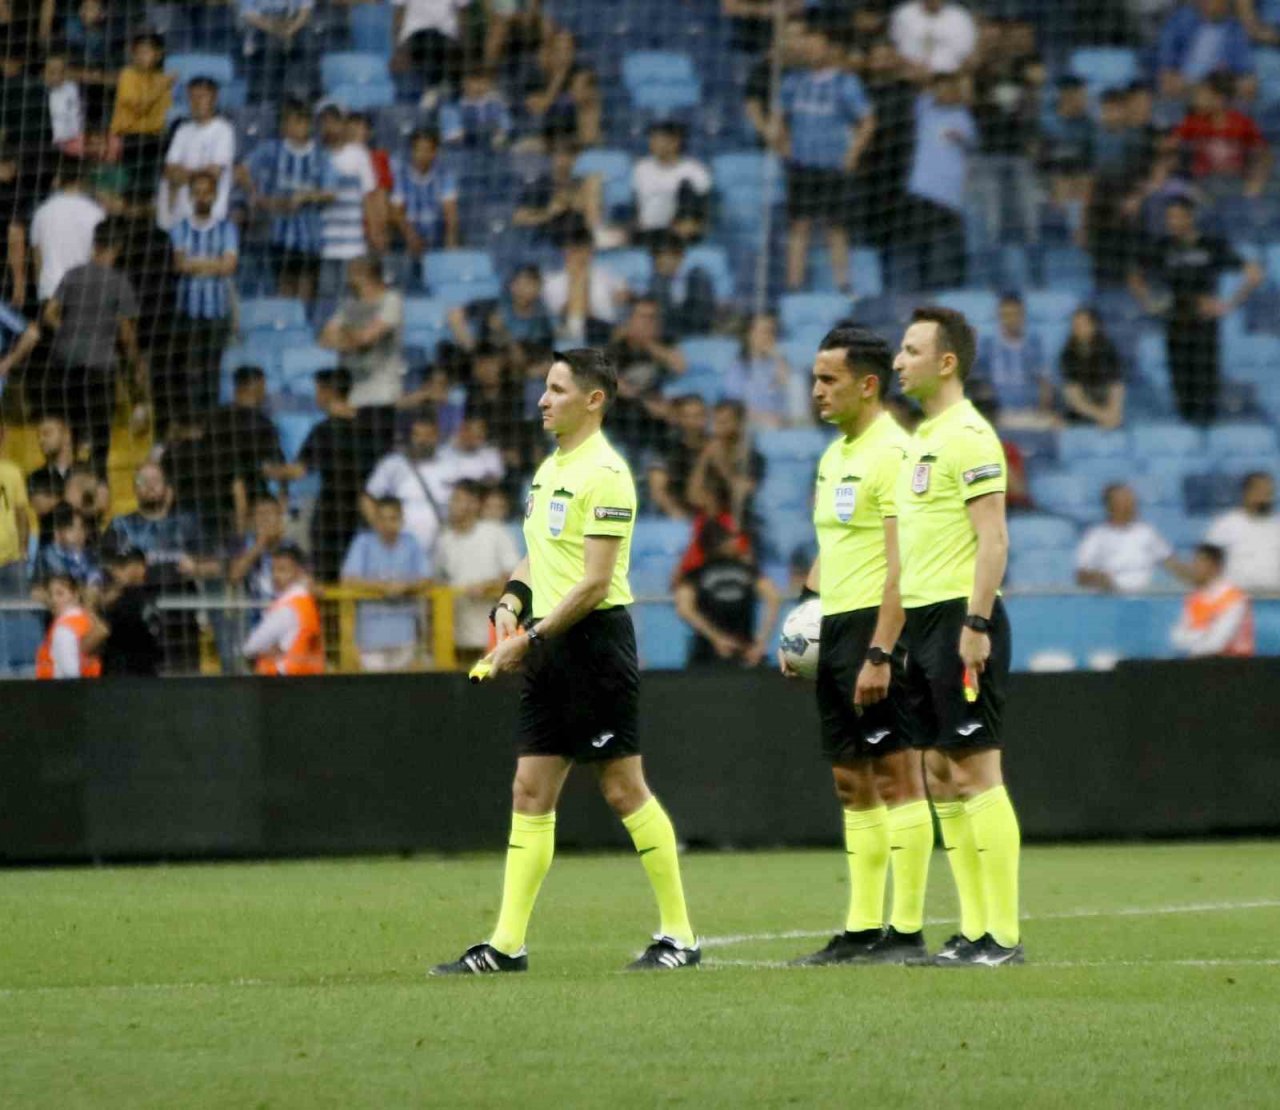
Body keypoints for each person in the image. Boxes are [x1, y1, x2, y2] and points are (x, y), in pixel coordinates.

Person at [431, 348, 699, 975]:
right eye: (544, 389)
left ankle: (680, 936)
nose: (543, 400)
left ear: (593, 400)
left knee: (622, 787)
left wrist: (531, 638)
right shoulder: (552, 468)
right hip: (548, 642)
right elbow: (537, 558)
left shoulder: (605, 474)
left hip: (593, 644)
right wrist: (509, 601)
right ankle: (506, 945)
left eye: (555, 389)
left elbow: (596, 583)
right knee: (529, 790)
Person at [777, 324, 932, 965]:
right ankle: (864, 927)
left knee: (898, 776)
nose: (815, 391)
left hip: (878, 626)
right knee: (850, 782)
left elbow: (905, 563)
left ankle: (907, 930)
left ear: (868, 384)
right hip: (835, 624)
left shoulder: (894, 454)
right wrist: (800, 620)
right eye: (815, 378)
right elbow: (831, 548)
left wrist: (879, 651)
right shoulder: (835, 455)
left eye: (828, 379)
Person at [892, 305, 1022, 966]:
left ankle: (1002, 935)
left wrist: (976, 622)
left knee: (976, 771)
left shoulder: (970, 435)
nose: (897, 361)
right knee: (940, 772)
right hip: (923, 620)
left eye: (911, 350)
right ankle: (973, 929)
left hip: (960, 618)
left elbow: (994, 537)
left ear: (946, 361)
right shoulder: (921, 437)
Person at [1129, 198, 1262, 424]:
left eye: (1178, 216)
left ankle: (1207, 431)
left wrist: (1229, 303)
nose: (1173, 222)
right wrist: (1149, 302)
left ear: (1190, 217)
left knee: (1206, 386)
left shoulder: (1212, 245)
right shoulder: (1162, 247)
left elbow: (1254, 273)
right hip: (1175, 323)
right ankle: (1188, 435)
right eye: (1169, 217)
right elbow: (1134, 276)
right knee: (1181, 387)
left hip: (1204, 324)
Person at [265, 368, 395, 583]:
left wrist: (271, 471)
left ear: (327, 392)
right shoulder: (372, 425)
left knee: (329, 580)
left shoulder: (324, 430)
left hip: (331, 516)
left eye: (317, 390)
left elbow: (298, 471)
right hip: (367, 512)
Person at [775, 23, 875, 293]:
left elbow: (867, 121)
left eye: (816, 44)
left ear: (829, 48)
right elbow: (779, 117)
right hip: (801, 164)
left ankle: (843, 284)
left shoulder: (845, 82)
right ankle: (794, 287)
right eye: (806, 44)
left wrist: (853, 154)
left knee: (836, 227)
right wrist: (783, 143)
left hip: (832, 165)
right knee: (799, 225)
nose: (810, 50)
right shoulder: (793, 81)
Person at [40, 220, 143, 478]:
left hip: (66, 360)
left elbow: (49, 313)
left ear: (94, 244)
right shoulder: (119, 282)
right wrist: (135, 363)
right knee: (100, 429)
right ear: (118, 247)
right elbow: (126, 332)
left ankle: (68, 474)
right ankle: (98, 481)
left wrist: (68, 330)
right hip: (100, 363)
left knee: (71, 422)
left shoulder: (73, 274)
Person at [165, 170, 239, 427]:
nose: (202, 197)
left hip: (217, 311)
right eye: (197, 192)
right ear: (190, 195)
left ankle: (208, 423)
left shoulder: (227, 228)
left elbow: (229, 266)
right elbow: (179, 265)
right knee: (187, 368)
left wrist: (196, 263)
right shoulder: (179, 228)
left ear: (215, 194)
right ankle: (187, 423)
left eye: (207, 192)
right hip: (187, 311)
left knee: (211, 369)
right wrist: (213, 263)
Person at [242, 99, 332, 300]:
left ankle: (303, 329)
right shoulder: (271, 150)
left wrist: (306, 196)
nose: (298, 126)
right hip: (280, 236)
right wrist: (258, 196)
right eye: (292, 122)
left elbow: (331, 192)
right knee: (284, 290)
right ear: (284, 125)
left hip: (311, 238)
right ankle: (288, 328)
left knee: (306, 290)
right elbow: (242, 170)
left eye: (303, 122)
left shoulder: (320, 155)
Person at [433, 480, 521, 668]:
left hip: (495, 634)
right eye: (454, 500)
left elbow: (515, 575)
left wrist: (486, 586)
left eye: (462, 499)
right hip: (457, 636)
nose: (456, 505)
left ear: (475, 504)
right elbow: (437, 582)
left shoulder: (495, 533)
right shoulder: (444, 541)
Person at [903, 70, 976, 292]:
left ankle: (958, 287)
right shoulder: (925, 110)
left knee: (954, 241)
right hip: (923, 188)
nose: (943, 92)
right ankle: (922, 288)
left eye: (949, 88)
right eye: (940, 88)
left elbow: (971, 141)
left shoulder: (962, 115)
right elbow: (921, 84)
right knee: (921, 242)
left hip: (950, 193)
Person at [341, 495, 430, 672]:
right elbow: (348, 579)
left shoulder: (411, 542)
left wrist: (405, 586)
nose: (387, 524)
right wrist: (383, 587)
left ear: (402, 519)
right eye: (382, 519)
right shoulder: (363, 542)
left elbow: (427, 578)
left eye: (393, 518)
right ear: (375, 520)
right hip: (370, 636)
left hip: (405, 632)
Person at [676, 519, 779, 669]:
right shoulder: (748, 571)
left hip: (707, 656)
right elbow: (773, 597)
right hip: (745, 653)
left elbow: (684, 608)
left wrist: (716, 638)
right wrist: (761, 642)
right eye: (732, 538)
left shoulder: (695, 574)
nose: (736, 542)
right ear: (724, 542)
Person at [362, 407, 457, 559]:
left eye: (428, 435)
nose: (422, 440)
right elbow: (367, 498)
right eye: (417, 435)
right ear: (410, 436)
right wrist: (380, 527)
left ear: (437, 436)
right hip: (400, 546)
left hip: (442, 545)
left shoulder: (451, 464)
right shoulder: (393, 464)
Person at [206, 364, 285, 544]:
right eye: (263, 386)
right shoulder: (262, 423)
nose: (264, 391)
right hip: (249, 504)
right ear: (255, 385)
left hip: (219, 501)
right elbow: (276, 469)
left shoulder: (214, 418)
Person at [316, 102, 386, 298]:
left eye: (335, 121)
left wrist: (375, 233)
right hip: (322, 245)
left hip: (353, 244)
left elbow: (369, 198)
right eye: (325, 122)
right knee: (327, 297)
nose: (330, 126)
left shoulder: (359, 155)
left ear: (344, 123)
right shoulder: (315, 155)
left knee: (353, 297)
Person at [319, 256, 407, 407]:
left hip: (382, 391)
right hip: (351, 391)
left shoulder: (392, 301)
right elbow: (324, 339)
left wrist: (343, 334)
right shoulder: (350, 304)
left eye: (351, 276)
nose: (348, 281)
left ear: (365, 276)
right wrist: (352, 339)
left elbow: (366, 339)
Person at [1076, 483, 1188, 593]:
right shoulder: (1095, 536)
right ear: (1111, 506)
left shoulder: (1146, 533)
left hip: (1144, 600)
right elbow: (1081, 576)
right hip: (1109, 600)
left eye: (1132, 501)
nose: (1131, 506)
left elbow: (1172, 564)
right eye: (1124, 502)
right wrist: (1099, 579)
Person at [1173, 72, 1271, 198]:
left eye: (1204, 94)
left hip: (1235, 184)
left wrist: (1256, 182)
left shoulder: (1243, 123)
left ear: (1219, 99)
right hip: (1202, 184)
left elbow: (1264, 155)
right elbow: (1170, 146)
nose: (1197, 99)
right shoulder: (1192, 122)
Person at [157, 76, 235, 230]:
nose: (196, 102)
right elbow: (168, 171)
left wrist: (183, 174)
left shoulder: (223, 130)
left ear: (214, 98)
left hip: (210, 219)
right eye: (192, 97)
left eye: (202, 97)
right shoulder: (182, 130)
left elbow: (213, 175)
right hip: (179, 218)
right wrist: (198, 174)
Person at [242, 541, 324, 675]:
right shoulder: (306, 601)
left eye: (283, 570)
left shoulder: (287, 607)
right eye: (273, 569)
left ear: (299, 572)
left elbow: (250, 647)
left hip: (281, 681)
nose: (275, 576)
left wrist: (266, 650)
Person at [29, 158, 104, 304]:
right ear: (83, 179)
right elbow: (101, 256)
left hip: (50, 291)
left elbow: (37, 258)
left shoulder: (42, 212)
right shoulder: (97, 213)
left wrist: (41, 290)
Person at [974, 295, 1053, 430]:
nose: (1010, 319)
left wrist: (1042, 411)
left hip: (1030, 413)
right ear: (999, 317)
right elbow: (979, 384)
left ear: (1023, 316)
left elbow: (1044, 384)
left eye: (1015, 314)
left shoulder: (1034, 345)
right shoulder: (988, 346)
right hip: (999, 415)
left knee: (1057, 427)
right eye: (1005, 315)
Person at [630, 120, 712, 247]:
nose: (653, 143)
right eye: (652, 139)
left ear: (675, 142)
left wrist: (691, 226)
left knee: (686, 188)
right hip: (646, 233)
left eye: (659, 139)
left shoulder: (695, 170)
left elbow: (703, 211)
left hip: (679, 235)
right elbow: (634, 206)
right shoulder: (641, 168)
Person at [1157, 0, 1256, 102]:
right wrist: (1192, 87)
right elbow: (1165, 69)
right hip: (1182, 91)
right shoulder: (1181, 20)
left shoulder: (1235, 30)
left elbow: (1248, 82)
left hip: (1219, 93)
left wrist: (1220, 87)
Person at [1170, 543, 1255, 657]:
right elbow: (1177, 639)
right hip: (1201, 662)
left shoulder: (1234, 599)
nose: (1194, 567)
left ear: (1215, 566)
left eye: (1200, 562)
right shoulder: (1194, 598)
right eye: (1194, 562)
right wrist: (1203, 633)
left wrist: (1195, 635)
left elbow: (1217, 643)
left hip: (1237, 665)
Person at [723, 313, 804, 430]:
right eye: (763, 331)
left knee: (797, 380)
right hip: (749, 423)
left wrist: (777, 356)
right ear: (749, 335)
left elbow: (791, 391)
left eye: (771, 332)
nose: (768, 336)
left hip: (782, 421)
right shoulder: (738, 367)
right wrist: (763, 418)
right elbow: (735, 406)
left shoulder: (778, 363)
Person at [389, 128, 459, 259]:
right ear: (412, 151)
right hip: (407, 236)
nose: (423, 155)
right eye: (419, 150)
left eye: (427, 150)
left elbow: (450, 212)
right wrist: (410, 235)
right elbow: (396, 211)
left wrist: (451, 240)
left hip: (436, 234)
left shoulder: (444, 174)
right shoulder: (401, 174)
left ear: (435, 152)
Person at [1205, 471, 1280, 592]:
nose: (1266, 497)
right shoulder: (1224, 525)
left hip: (1275, 603)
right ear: (1246, 493)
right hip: (1234, 603)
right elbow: (1207, 564)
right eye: (1260, 491)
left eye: (1269, 492)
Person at [99, 539, 162, 676]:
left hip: (133, 675)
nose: (116, 571)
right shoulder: (117, 595)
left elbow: (103, 631)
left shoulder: (137, 598)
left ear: (141, 568)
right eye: (115, 566)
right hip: (123, 672)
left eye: (123, 566)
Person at [1057, 308, 1125, 429]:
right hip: (1080, 413)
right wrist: (1102, 416)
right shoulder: (1067, 354)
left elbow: (1116, 387)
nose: (1077, 328)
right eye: (1075, 325)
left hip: (1106, 409)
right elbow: (1074, 398)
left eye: (1082, 324)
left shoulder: (1108, 350)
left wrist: (1114, 412)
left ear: (1094, 326)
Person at [646, 393, 707, 520]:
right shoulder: (665, 448)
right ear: (679, 418)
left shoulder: (713, 447)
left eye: (698, 415)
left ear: (706, 417)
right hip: (674, 517)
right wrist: (677, 514)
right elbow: (658, 491)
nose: (693, 422)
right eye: (687, 416)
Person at [34, 572, 103, 679]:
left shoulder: (65, 628)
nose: (54, 600)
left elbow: (70, 673)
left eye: (60, 594)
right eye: (51, 595)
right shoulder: (86, 619)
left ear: (75, 595)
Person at [890, 0, 978, 79]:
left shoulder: (960, 17)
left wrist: (956, 73)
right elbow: (893, 47)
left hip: (951, 77)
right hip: (911, 74)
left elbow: (969, 52)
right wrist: (909, 66)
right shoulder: (903, 15)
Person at [228, 494, 289, 602]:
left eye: (269, 513)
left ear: (279, 517)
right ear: (252, 519)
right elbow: (234, 576)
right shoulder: (245, 543)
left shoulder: (290, 546)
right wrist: (260, 544)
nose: (264, 519)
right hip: (256, 614)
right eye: (260, 514)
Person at [32, 502, 101, 597]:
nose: (78, 533)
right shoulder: (48, 555)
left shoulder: (91, 555)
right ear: (57, 533)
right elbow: (63, 587)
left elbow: (96, 582)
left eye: (82, 528)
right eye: (71, 529)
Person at [440, 65, 512, 150]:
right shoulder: (451, 106)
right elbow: (452, 136)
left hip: (492, 152)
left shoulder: (497, 104)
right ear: (464, 83)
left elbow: (506, 128)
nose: (478, 86)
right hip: (461, 152)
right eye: (474, 81)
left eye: (483, 82)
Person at [0, 421, 29, 595]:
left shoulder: (13, 472)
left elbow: (21, 515)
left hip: (12, 561)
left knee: (20, 614)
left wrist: (23, 552)